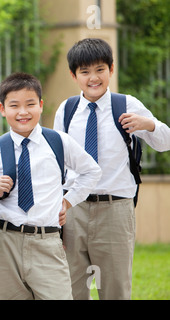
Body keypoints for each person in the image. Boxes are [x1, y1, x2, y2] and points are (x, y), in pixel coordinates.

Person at [53, 38, 170, 300]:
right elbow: (56, 163)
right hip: (74, 208)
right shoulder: (67, 110)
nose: (93, 78)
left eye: (100, 70)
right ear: (74, 75)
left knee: (115, 289)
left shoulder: (127, 105)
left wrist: (148, 124)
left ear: (111, 69)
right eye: (84, 72)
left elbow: (166, 142)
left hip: (115, 210)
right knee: (72, 289)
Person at [0, 72, 101, 300]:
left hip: (47, 241)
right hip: (5, 241)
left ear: (41, 105)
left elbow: (92, 171)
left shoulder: (58, 142)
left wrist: (67, 201)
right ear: (2, 109)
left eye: (30, 104)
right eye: (14, 105)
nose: (23, 112)